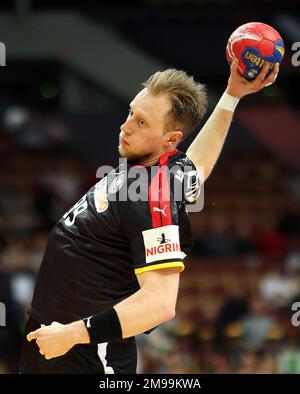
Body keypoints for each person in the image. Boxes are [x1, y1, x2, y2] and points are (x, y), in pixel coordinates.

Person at [20, 60, 279, 374]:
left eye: (141, 122)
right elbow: (197, 166)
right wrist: (231, 95)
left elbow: (159, 304)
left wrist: (71, 335)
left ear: (170, 140)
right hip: (55, 343)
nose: (126, 126)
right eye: (131, 112)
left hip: (85, 355)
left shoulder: (150, 194)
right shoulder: (154, 170)